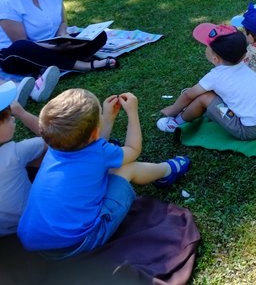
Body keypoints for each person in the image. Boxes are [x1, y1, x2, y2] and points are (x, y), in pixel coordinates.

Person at [17, 89, 190, 258]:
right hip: (78, 243)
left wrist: (108, 118)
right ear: (94, 131)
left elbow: (92, 144)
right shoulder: (99, 153)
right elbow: (133, 149)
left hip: (34, 243)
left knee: (109, 168)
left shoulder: (54, 149)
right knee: (126, 168)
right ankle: (168, 170)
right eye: (100, 113)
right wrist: (132, 113)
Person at [0, 0, 118, 75]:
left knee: (99, 36)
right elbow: (20, 41)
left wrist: (64, 37)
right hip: (21, 53)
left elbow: (62, 22)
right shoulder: (7, 0)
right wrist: (55, 48)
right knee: (21, 48)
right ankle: (85, 66)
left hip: (54, 46)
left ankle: (51, 65)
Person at [157, 23, 256, 140]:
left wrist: (172, 110)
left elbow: (188, 95)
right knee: (207, 93)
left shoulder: (215, 77)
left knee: (204, 98)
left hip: (249, 130)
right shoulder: (244, 66)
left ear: (215, 58)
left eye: (207, 46)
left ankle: (176, 122)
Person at [0, 81, 47, 237]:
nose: (13, 119)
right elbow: (54, 138)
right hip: (32, 220)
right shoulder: (14, 152)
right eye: (8, 117)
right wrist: (22, 113)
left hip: (4, 232)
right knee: (51, 154)